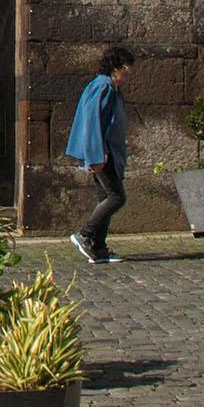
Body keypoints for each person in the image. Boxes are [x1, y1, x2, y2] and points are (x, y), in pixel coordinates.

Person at [65, 46, 133, 264]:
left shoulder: (110, 87)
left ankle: (99, 248)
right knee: (116, 197)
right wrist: (98, 153)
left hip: (108, 151)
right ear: (116, 67)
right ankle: (85, 234)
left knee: (105, 197)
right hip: (104, 153)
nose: (128, 73)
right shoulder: (103, 85)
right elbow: (92, 121)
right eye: (126, 68)